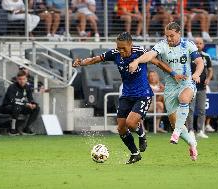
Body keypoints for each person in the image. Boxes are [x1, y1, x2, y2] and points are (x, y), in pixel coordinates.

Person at [73, 32, 183, 164]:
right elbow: (96, 59)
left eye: (123, 48)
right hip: (126, 95)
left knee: (131, 123)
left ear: (131, 45)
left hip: (143, 94)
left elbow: (157, 62)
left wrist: (174, 74)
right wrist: (81, 62)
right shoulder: (115, 53)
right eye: (118, 47)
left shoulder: (140, 52)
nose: (121, 50)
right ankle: (135, 153)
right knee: (121, 128)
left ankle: (142, 135)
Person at [129, 22, 204, 161]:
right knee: (176, 123)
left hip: (187, 82)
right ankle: (192, 143)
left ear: (179, 33)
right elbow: (150, 55)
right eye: (167, 36)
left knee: (184, 98)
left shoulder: (188, 45)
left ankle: (175, 133)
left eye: (172, 36)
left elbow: (200, 62)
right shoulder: (162, 45)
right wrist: (137, 61)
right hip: (170, 86)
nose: (169, 39)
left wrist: (197, 74)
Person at [186, 37, 213, 139]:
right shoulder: (189, 56)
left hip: (202, 87)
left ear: (203, 45)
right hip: (190, 87)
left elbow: (210, 70)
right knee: (190, 109)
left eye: (200, 43)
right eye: (196, 43)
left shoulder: (206, 56)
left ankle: (201, 130)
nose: (198, 45)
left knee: (202, 110)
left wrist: (209, 79)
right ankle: (190, 130)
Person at [0, 71, 40, 136]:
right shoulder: (12, 87)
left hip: (20, 106)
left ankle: (26, 128)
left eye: (23, 79)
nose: (22, 81)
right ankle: (12, 130)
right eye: (20, 79)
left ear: (26, 79)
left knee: (36, 108)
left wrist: (33, 104)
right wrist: (25, 104)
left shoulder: (27, 87)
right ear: (17, 79)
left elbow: (30, 99)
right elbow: (12, 100)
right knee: (17, 106)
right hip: (7, 106)